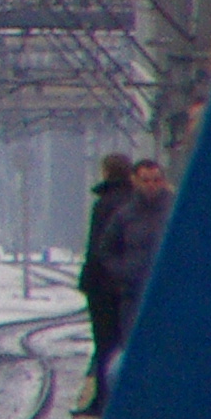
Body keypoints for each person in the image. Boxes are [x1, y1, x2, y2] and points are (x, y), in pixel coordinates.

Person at [87, 156, 173, 396]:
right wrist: (123, 272)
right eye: (145, 180)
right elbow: (105, 249)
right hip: (133, 296)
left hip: (168, 297)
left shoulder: (175, 212)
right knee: (133, 353)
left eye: (156, 180)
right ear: (134, 181)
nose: (151, 186)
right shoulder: (125, 215)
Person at [71, 153, 134, 406]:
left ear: (106, 172)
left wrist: (89, 279)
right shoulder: (134, 202)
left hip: (103, 285)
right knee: (124, 338)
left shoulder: (104, 204)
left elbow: (97, 247)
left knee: (104, 342)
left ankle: (104, 397)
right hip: (128, 283)